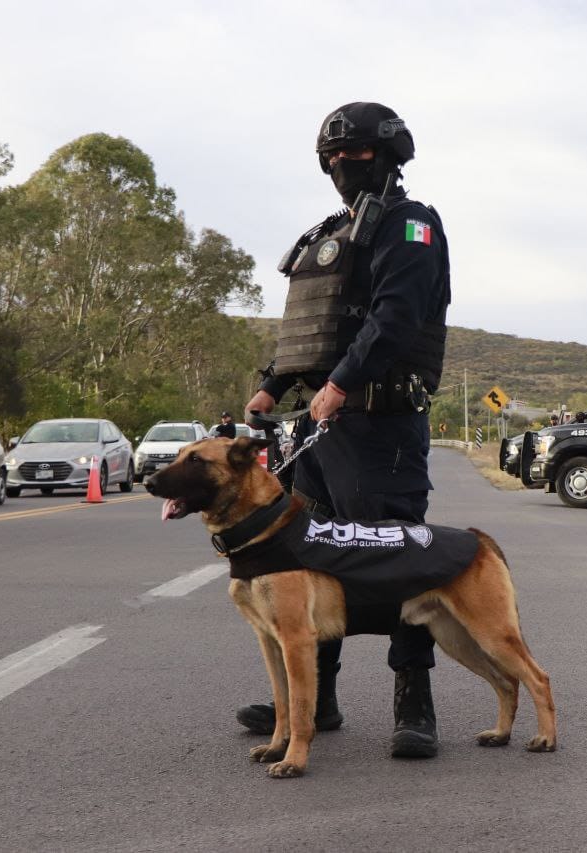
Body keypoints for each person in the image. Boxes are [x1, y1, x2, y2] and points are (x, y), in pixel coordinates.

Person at [241, 102, 452, 758]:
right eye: (330, 156)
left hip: (380, 425)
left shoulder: (410, 226)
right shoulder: (333, 233)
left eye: (353, 154)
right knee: (309, 561)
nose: (340, 165)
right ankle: (317, 701)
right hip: (321, 426)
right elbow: (316, 326)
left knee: (396, 559)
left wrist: (339, 384)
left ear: (388, 153)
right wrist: (275, 382)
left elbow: (393, 318)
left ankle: (414, 698)